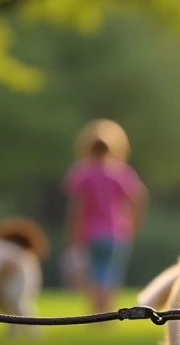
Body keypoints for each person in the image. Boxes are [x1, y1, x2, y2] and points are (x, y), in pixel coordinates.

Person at [63, 119, 147, 314]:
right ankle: (107, 314)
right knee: (110, 275)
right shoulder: (120, 171)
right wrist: (132, 224)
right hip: (116, 232)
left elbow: (77, 208)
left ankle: (96, 315)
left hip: (89, 232)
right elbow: (139, 198)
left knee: (92, 276)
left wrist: (71, 236)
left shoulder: (82, 172)